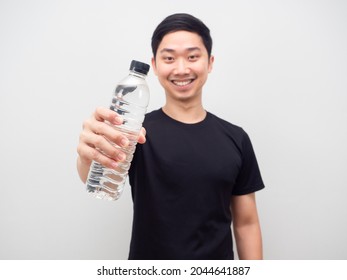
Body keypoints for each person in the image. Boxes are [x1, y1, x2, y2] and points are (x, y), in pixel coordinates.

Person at [77, 13, 265, 260]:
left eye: (193, 56)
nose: (181, 68)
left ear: (210, 62)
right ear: (154, 65)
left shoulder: (236, 138)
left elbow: (246, 223)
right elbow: (94, 174)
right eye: (169, 58)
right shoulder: (136, 133)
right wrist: (86, 153)